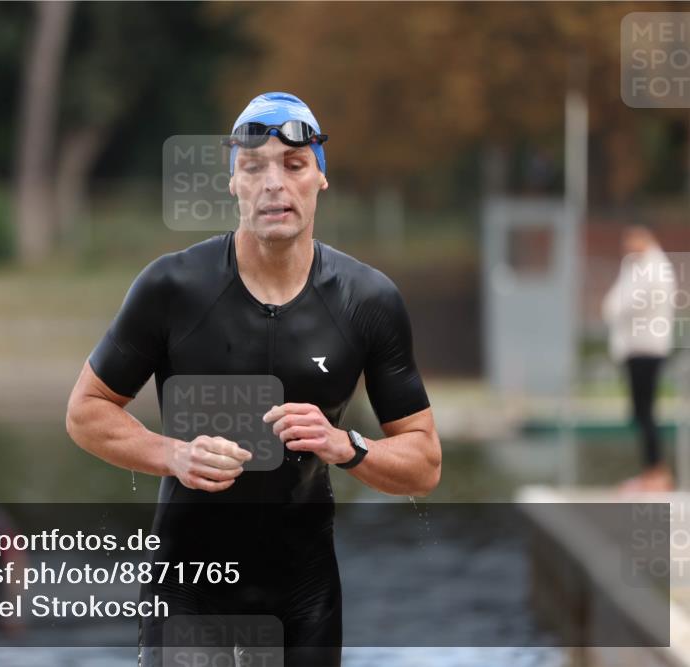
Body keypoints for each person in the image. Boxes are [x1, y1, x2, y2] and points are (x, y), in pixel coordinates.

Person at [66, 92, 442, 666]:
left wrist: (346, 446)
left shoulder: (367, 301)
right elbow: (85, 411)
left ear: (320, 176)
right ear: (233, 182)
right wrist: (173, 454)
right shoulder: (173, 287)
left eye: (293, 165)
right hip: (188, 592)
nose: (274, 184)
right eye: (254, 167)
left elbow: (424, 462)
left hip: (304, 596)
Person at [602, 226, 676, 492]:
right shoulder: (636, 267)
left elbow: (629, 302)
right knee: (640, 412)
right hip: (635, 348)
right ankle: (651, 471)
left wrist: (613, 307)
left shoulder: (654, 269)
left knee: (646, 412)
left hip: (648, 348)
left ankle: (656, 472)